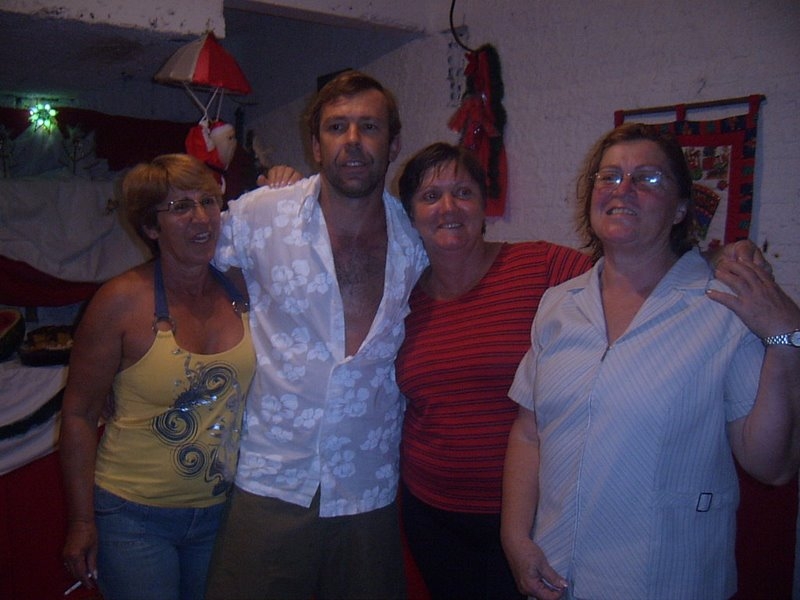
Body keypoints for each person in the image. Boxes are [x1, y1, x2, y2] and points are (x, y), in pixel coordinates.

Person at [501, 123, 800, 599]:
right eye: (609, 176)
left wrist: (786, 342)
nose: (623, 189)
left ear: (681, 208)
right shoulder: (559, 305)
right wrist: (516, 538)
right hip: (556, 574)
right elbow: (529, 431)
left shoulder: (722, 306)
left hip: (666, 579)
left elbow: (772, 466)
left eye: (648, 178)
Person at [204, 70, 428, 600]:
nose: (352, 140)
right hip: (272, 476)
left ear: (393, 143)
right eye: (336, 126)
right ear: (315, 144)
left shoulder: (417, 238)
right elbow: (192, 262)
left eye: (369, 126)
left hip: (368, 483)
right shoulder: (262, 214)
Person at [394, 142, 593, 600]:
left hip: (534, 517)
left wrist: (713, 262)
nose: (448, 207)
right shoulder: (400, 301)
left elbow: (629, 279)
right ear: (411, 216)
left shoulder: (542, 267)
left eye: (463, 192)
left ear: (484, 205)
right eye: (430, 196)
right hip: (433, 515)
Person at [60, 153, 257, 600]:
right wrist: (82, 520)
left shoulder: (244, 288)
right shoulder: (120, 301)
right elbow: (78, 414)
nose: (201, 217)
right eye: (181, 207)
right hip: (134, 516)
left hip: (224, 510)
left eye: (208, 201)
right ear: (151, 226)